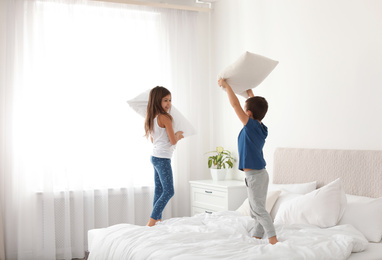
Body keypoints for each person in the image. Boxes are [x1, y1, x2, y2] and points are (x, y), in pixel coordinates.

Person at [218, 79, 278, 245]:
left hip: (255, 176)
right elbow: (255, 107)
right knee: (255, 208)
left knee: (257, 208)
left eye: (246, 111)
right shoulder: (261, 128)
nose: (243, 113)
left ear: (249, 114)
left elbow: (235, 105)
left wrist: (227, 86)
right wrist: (250, 93)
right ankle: (257, 235)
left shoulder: (251, 127)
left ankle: (273, 238)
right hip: (258, 174)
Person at [144, 86, 184, 227]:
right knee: (169, 190)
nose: (168, 104)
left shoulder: (152, 117)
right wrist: (178, 135)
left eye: (170, 100)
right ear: (157, 101)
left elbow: (153, 139)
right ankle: (152, 221)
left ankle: (157, 220)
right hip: (162, 158)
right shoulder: (165, 118)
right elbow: (173, 141)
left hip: (155, 157)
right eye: (165, 100)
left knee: (159, 189)